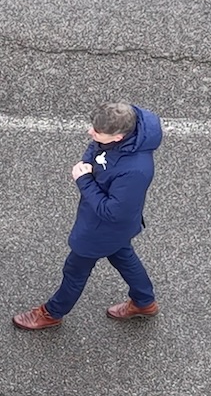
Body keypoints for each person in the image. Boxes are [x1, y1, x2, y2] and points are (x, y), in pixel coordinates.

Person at [13, 102, 163, 330]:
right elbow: (95, 149)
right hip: (116, 229)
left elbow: (111, 211)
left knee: (75, 271)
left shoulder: (135, 171)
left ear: (118, 137)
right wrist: (86, 163)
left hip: (101, 229)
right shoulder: (121, 138)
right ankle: (144, 302)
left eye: (97, 132)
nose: (90, 133)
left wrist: (83, 180)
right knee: (122, 256)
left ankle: (52, 313)